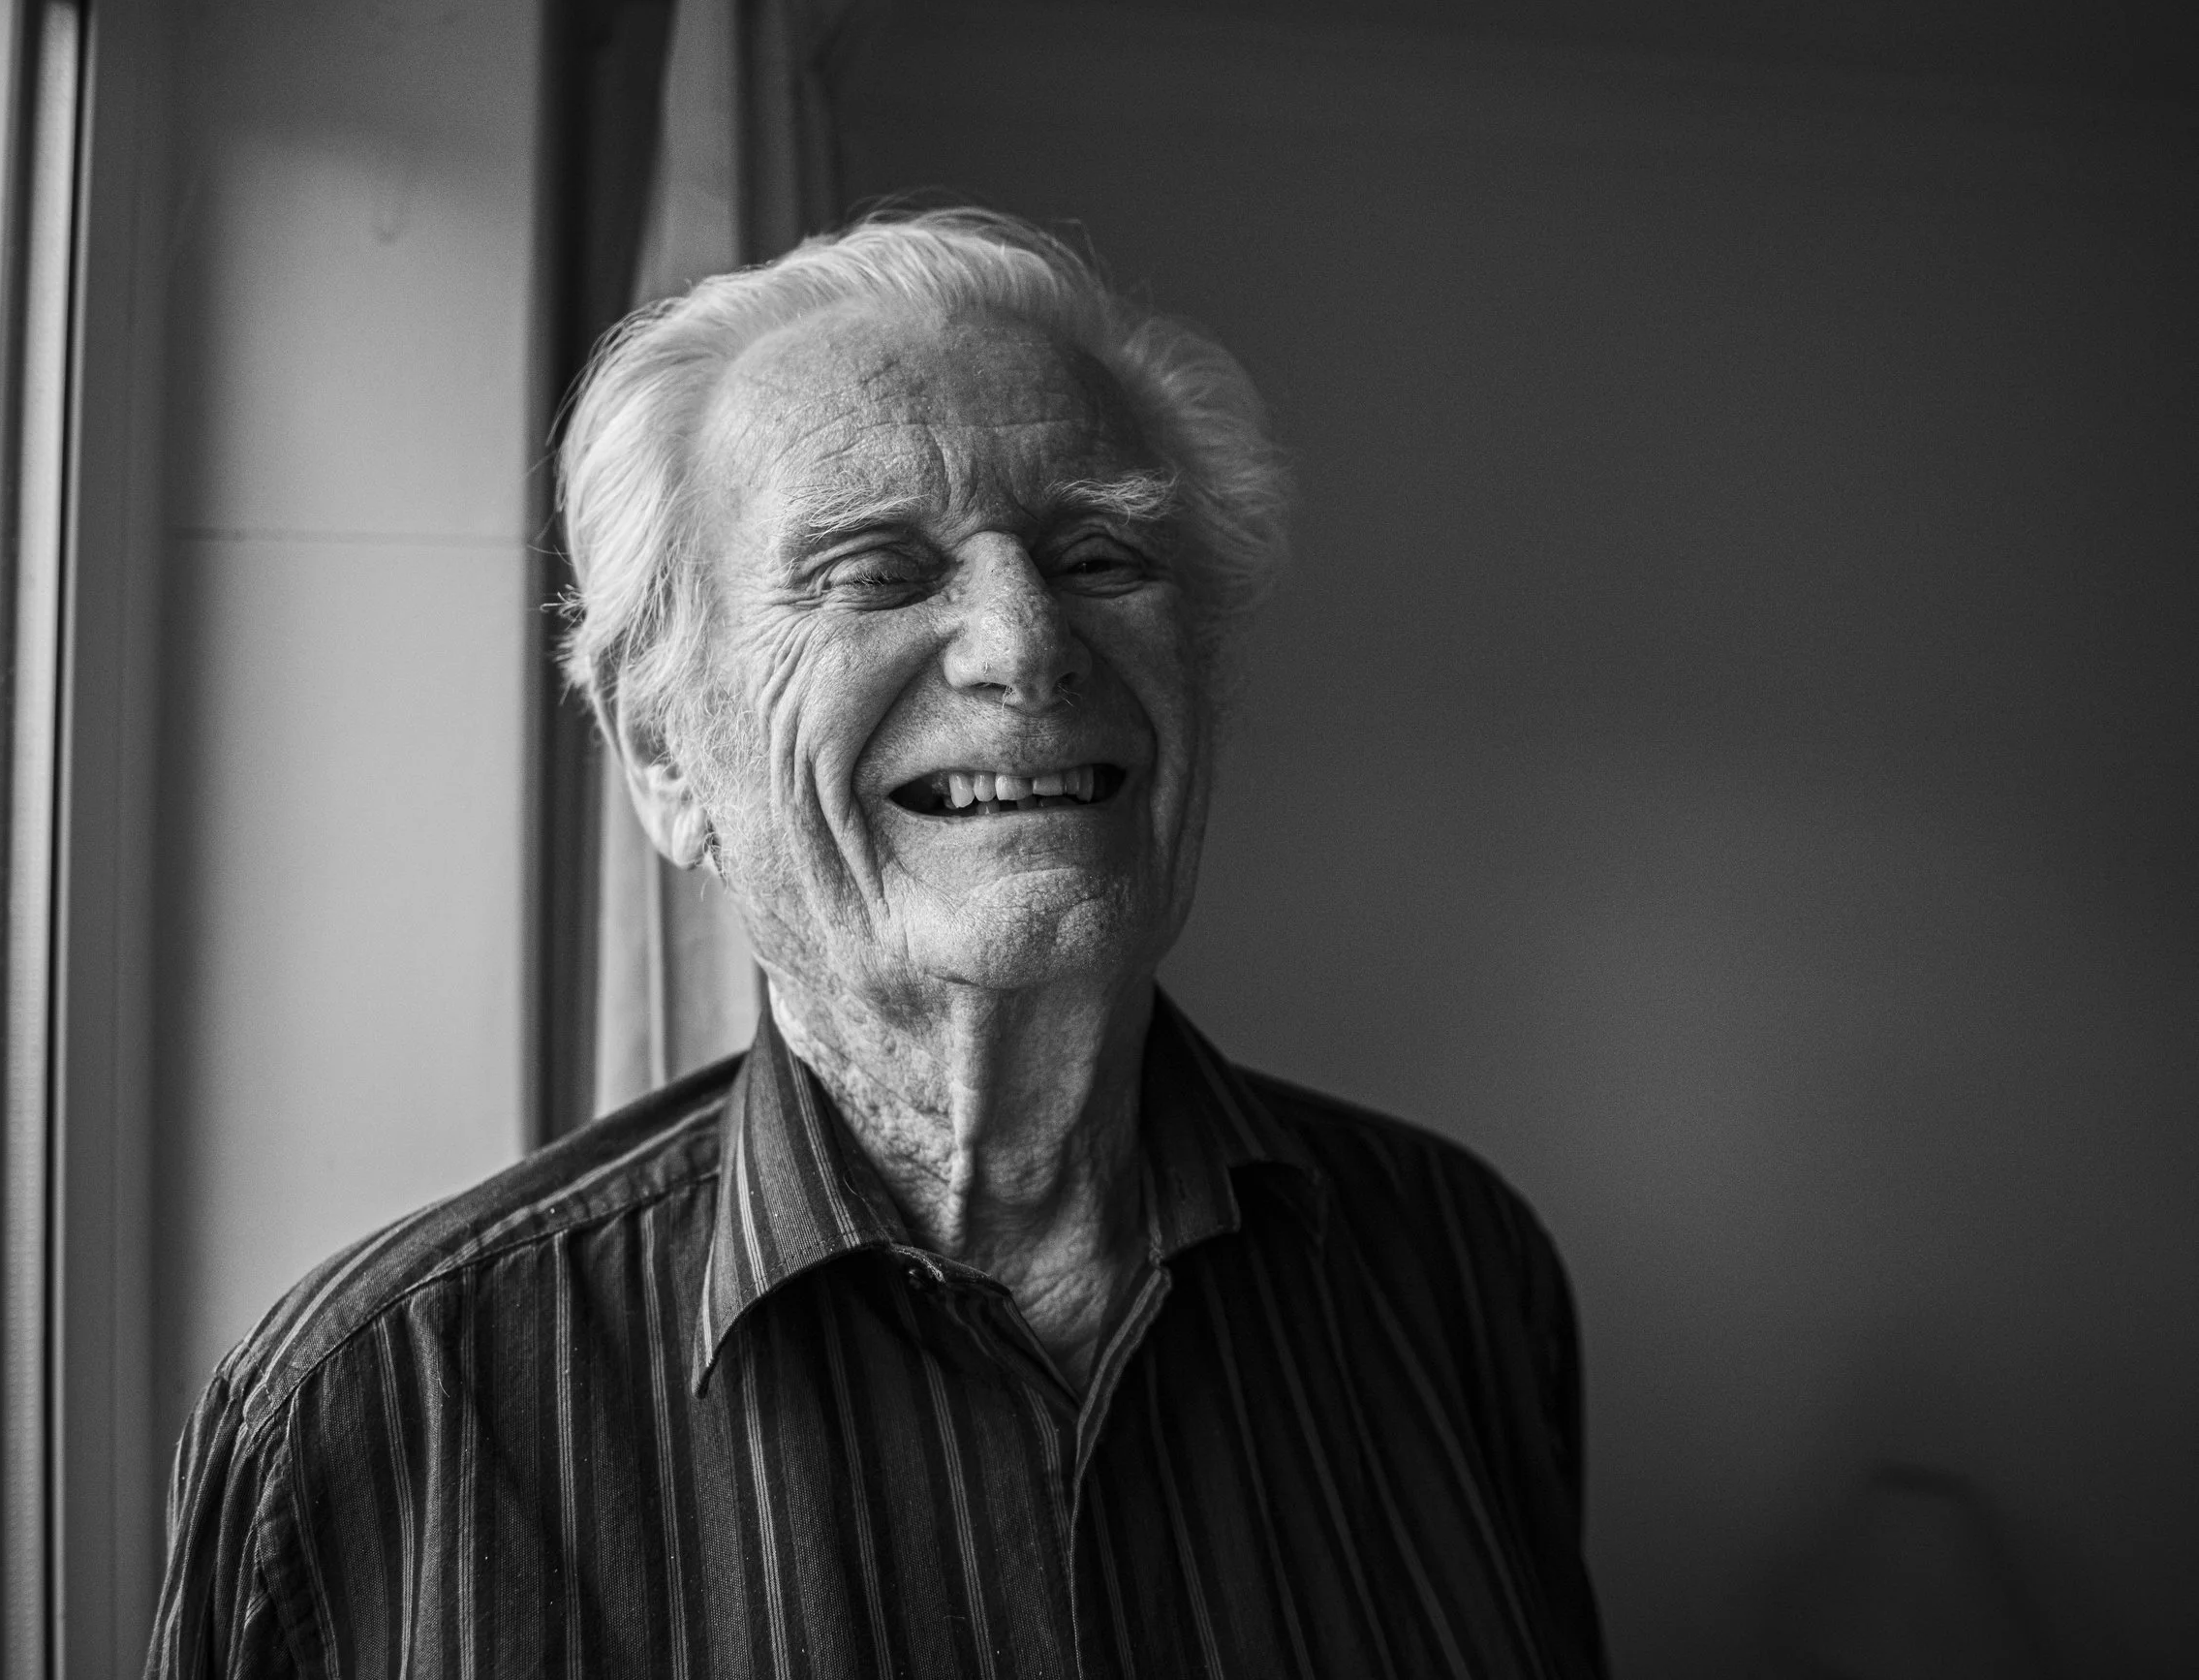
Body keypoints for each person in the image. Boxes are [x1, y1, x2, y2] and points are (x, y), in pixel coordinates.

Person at [146, 210, 1608, 1677]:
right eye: (873, 571)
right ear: (667, 757)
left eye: (1100, 555)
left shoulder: (1457, 1266)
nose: (1025, 643)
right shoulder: (378, 1407)